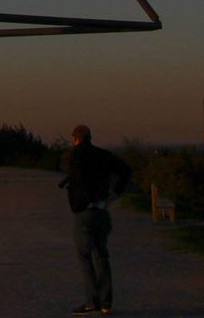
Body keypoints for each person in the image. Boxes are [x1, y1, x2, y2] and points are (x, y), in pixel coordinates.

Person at [59, 124, 132, 315]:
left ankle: (92, 301)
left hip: (85, 211)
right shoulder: (102, 155)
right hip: (102, 209)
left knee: (84, 256)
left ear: (75, 138)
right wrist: (113, 194)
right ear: (89, 137)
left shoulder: (76, 156)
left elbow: (81, 177)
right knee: (101, 255)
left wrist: (87, 198)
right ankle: (106, 300)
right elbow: (125, 170)